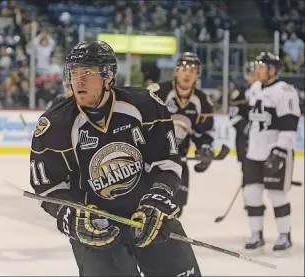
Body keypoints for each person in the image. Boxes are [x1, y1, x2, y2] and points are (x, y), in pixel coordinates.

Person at [29, 41, 201, 276]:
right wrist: (69, 214)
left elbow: (166, 162)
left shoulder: (146, 106)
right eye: (74, 72)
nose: (78, 80)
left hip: (148, 218)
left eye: (87, 73)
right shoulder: (54, 126)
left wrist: (158, 197)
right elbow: (49, 187)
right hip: (96, 231)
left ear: (108, 75)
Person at [243, 52, 300, 252]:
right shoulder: (254, 89)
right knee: (251, 194)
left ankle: (285, 235)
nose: (258, 70)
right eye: (257, 66)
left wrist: (280, 149)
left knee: (277, 194)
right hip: (254, 153)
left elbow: (290, 123)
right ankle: (256, 234)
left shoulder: (285, 91)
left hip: (276, 152)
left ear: (273, 70)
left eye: (262, 66)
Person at [147, 52, 215, 218]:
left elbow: (203, 132)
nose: (188, 73)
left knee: (175, 208)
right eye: (184, 69)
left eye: (193, 70)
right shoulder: (157, 92)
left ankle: (165, 242)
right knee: (148, 204)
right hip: (151, 161)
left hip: (178, 161)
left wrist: (205, 148)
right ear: (176, 71)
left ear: (197, 75)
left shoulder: (203, 101)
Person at [229, 61, 257, 169]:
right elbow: (233, 113)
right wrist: (245, 126)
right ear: (246, 75)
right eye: (251, 75)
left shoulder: (264, 90)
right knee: (246, 165)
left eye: (256, 74)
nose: (254, 77)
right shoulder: (239, 90)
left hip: (260, 135)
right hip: (244, 134)